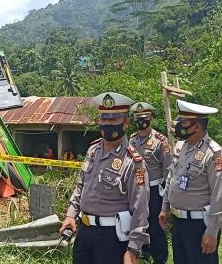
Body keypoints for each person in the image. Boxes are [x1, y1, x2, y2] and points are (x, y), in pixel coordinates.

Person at [59, 92, 150, 264]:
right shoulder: (93, 150)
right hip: (84, 232)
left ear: (126, 123)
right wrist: (71, 215)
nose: (108, 124)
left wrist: (133, 249)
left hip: (112, 237)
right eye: (104, 119)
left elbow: (140, 209)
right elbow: (81, 186)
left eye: (114, 120)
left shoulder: (133, 161)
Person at [159, 100, 222, 264]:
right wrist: (165, 208)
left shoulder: (213, 153)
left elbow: (219, 196)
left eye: (183, 122)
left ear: (197, 126)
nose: (178, 125)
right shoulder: (181, 147)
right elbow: (171, 179)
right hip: (179, 222)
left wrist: (212, 231)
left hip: (200, 225)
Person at [129, 102, 172, 264]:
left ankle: (160, 259)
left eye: (144, 118)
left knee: (156, 228)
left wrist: (166, 198)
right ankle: (143, 255)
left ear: (151, 119)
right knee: (139, 223)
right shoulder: (131, 140)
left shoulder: (160, 141)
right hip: (136, 190)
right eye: (138, 119)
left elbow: (168, 171)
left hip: (155, 191)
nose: (141, 122)